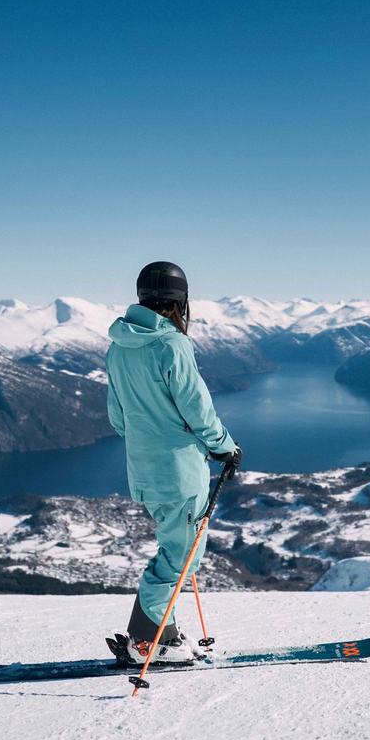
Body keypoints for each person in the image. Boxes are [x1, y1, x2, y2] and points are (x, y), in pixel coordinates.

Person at [104, 261, 242, 664]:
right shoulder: (172, 345)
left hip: (144, 472)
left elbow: (118, 419)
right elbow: (198, 409)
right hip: (180, 472)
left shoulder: (119, 346)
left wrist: (151, 436)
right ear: (180, 302)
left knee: (176, 549)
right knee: (181, 558)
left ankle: (164, 632)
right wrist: (225, 447)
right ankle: (147, 640)